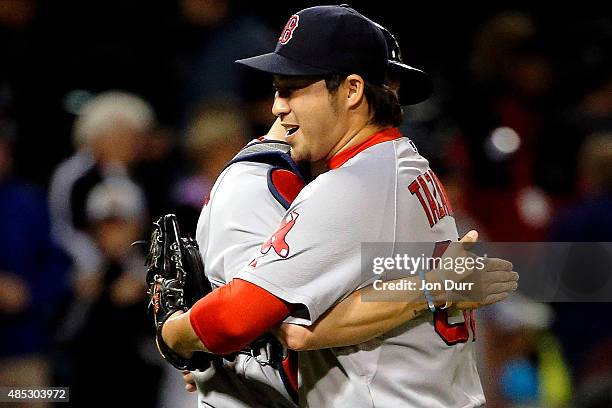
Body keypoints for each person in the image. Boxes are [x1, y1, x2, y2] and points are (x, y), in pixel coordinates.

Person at [163, 5, 517, 407]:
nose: (278, 107)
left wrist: (174, 337)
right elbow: (343, 311)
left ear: (351, 90)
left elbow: (244, 320)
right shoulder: (406, 168)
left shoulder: (352, 187)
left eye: (291, 88)